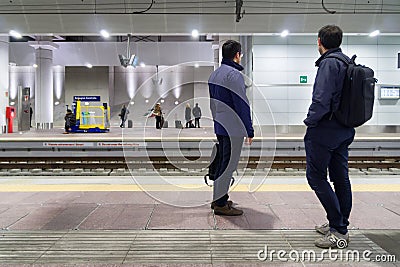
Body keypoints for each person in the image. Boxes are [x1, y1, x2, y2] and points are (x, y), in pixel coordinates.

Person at [304, 25, 355, 249]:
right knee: (340, 177)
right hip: (344, 129)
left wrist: (310, 121)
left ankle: (337, 229)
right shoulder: (347, 62)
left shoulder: (328, 63)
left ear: (319, 41)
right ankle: (340, 225)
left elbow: (321, 99)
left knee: (315, 177)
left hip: (326, 129)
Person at [208, 40, 254, 216]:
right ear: (237, 55)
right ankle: (220, 203)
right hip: (233, 129)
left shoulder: (215, 75)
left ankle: (219, 198)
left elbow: (212, 104)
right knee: (229, 165)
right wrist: (249, 130)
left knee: (222, 162)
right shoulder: (234, 75)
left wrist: (216, 122)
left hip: (221, 127)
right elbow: (241, 104)